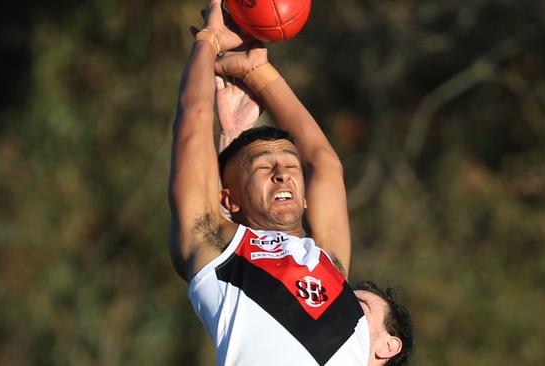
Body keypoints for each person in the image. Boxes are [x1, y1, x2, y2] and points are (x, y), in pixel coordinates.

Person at [168, 1, 412, 364]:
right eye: (265, 167)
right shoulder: (215, 247)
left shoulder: (329, 269)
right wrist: (232, 57)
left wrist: (234, 58)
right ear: (228, 199)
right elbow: (195, 124)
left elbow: (322, 163)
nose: (282, 174)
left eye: (289, 165)